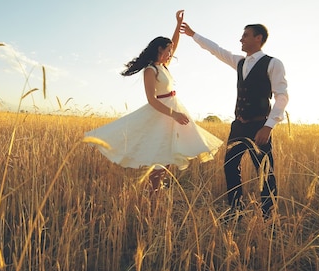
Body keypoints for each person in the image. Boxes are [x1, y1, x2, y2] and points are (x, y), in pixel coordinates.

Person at [85, 11, 224, 192]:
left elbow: (174, 44)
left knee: (170, 152)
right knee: (161, 152)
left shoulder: (164, 66)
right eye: (168, 51)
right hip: (163, 113)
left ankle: (156, 188)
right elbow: (151, 99)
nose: (171, 54)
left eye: (171, 51)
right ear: (160, 49)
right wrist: (174, 114)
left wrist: (178, 25)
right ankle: (153, 190)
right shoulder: (151, 70)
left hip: (173, 110)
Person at [180, 20, 288, 218]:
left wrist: (268, 126)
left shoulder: (273, 63)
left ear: (258, 38)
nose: (241, 38)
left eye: (245, 35)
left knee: (265, 172)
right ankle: (235, 211)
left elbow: (282, 96)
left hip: (259, 125)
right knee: (230, 166)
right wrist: (193, 34)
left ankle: (268, 216)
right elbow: (216, 50)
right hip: (238, 125)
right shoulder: (239, 62)